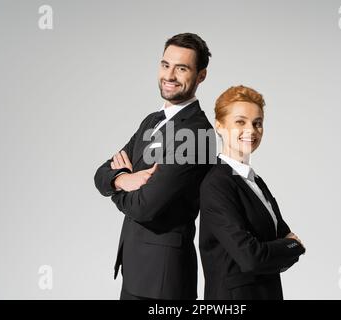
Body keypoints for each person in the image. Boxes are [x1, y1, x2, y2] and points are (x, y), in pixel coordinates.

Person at [94, 33, 215, 300]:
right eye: (165, 65)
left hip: (163, 281)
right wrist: (122, 180)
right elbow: (101, 173)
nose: (169, 75)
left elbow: (145, 207)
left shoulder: (196, 134)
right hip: (136, 271)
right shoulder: (152, 120)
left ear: (201, 75)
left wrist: (117, 186)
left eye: (181, 68)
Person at [199, 85, 306, 300]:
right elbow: (251, 257)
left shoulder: (256, 182)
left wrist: (283, 246)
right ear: (219, 126)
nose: (252, 130)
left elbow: (281, 236)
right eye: (240, 122)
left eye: (257, 123)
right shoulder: (217, 184)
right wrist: (292, 246)